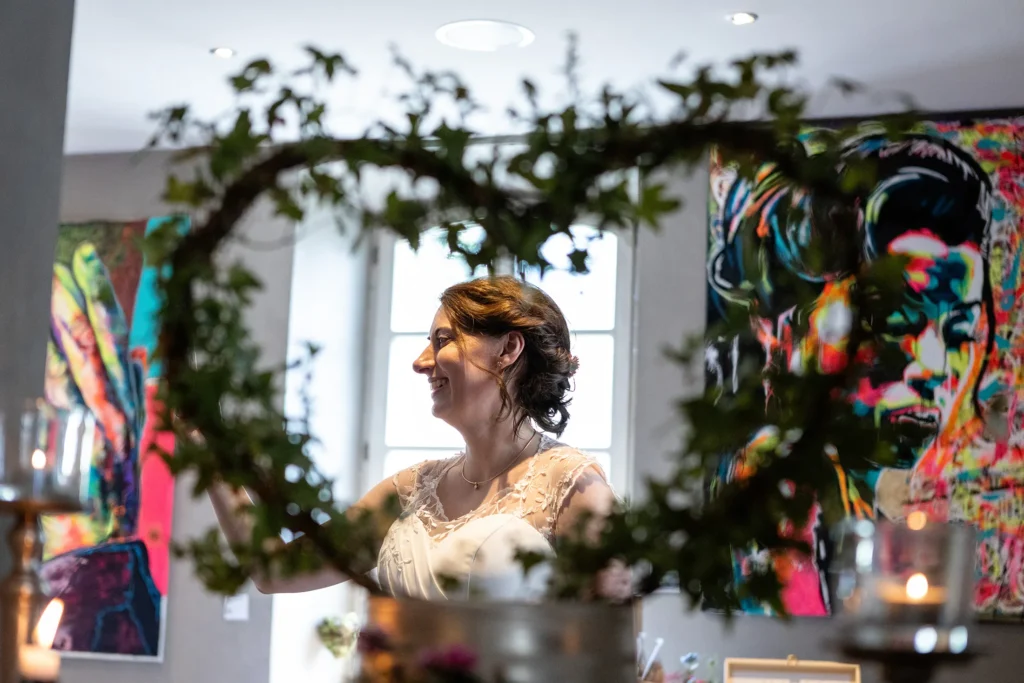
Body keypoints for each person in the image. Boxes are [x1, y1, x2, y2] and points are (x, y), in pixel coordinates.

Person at [209, 275, 615, 599]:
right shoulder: (412, 489)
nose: (421, 362)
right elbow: (274, 571)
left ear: (508, 348)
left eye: (443, 340)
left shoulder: (574, 487)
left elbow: (608, 659)